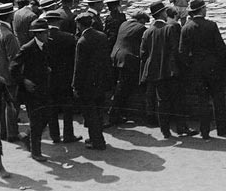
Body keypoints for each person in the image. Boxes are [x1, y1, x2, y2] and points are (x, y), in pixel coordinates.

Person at [139, 1, 195, 139]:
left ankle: (165, 131)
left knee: (161, 101)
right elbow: (176, 51)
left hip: (154, 72)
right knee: (178, 100)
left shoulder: (147, 32)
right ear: (162, 13)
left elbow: (143, 54)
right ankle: (181, 128)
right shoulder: (169, 29)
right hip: (170, 70)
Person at [179, 0, 226, 139]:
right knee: (218, 99)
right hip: (213, 69)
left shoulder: (186, 28)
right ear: (202, 9)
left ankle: (204, 131)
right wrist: (220, 64)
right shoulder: (211, 25)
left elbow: (182, 53)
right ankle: (222, 128)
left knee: (202, 100)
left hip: (197, 70)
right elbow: (221, 50)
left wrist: (192, 66)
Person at [10, 18, 52, 160]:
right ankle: (36, 152)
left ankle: (27, 138)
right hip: (31, 92)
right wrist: (24, 80)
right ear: (38, 34)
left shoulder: (46, 45)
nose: (48, 34)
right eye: (46, 32)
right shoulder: (27, 48)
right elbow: (13, 68)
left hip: (43, 89)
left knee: (46, 117)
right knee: (36, 121)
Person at [72, 11, 112, 150]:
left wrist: (75, 86)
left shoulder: (82, 42)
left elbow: (79, 66)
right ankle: (97, 137)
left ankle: (97, 141)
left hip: (87, 84)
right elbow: (107, 60)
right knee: (99, 112)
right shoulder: (102, 36)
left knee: (90, 114)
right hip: (101, 81)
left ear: (79, 25)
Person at [42, 9, 80, 143]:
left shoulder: (43, 38)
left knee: (52, 108)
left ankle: (55, 135)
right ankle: (68, 134)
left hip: (49, 77)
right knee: (67, 107)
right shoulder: (68, 37)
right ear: (59, 22)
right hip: (65, 77)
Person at [107, 10, 148, 126]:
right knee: (123, 88)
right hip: (127, 60)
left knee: (119, 87)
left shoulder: (123, 24)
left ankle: (117, 113)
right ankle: (114, 114)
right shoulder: (141, 28)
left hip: (115, 56)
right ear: (141, 20)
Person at [0, 2, 21, 141]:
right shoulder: (9, 35)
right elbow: (14, 58)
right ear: (9, 16)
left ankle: (3, 132)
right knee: (12, 104)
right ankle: (12, 133)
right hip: (8, 75)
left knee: (2, 105)